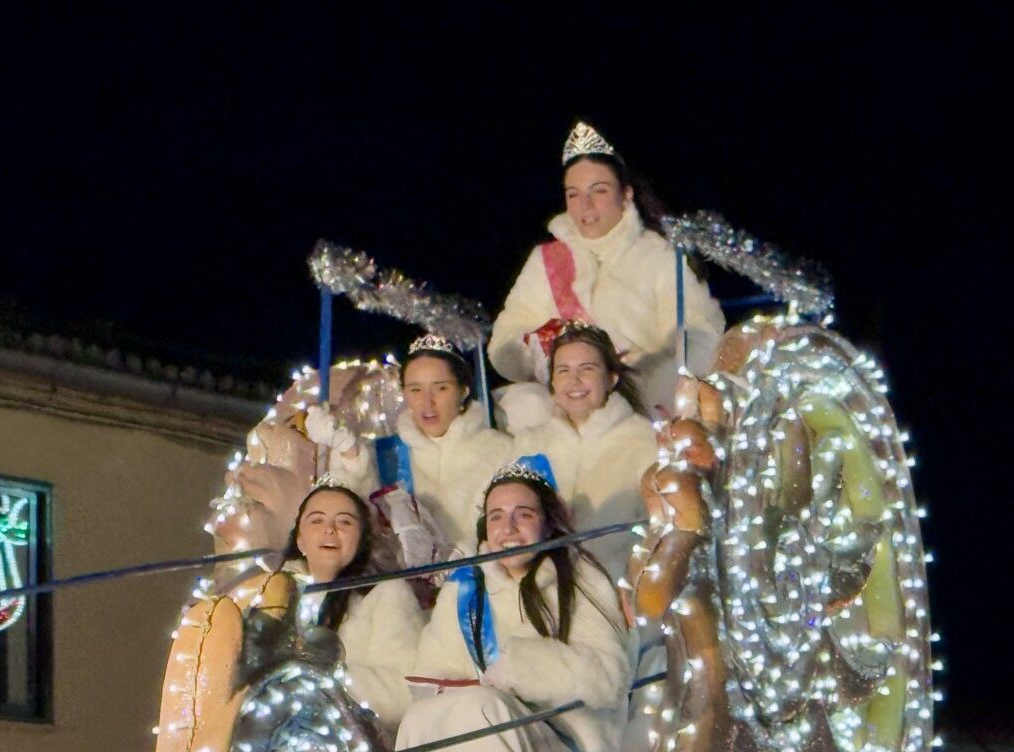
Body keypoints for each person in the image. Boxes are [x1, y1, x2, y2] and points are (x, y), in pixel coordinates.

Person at [394, 462, 645, 752]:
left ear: (546, 523)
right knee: (418, 721)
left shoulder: (580, 578)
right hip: (486, 721)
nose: (508, 527)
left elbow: (608, 678)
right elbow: (431, 675)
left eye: (522, 514)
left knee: (482, 707)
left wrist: (520, 670)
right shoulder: (466, 588)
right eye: (496, 516)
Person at [489, 121, 725, 418]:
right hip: (566, 403)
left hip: (644, 404)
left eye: (598, 191)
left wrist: (635, 374)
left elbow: (696, 333)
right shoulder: (546, 261)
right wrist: (541, 353)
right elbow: (506, 340)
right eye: (573, 194)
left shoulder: (661, 255)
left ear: (626, 194)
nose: (584, 206)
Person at [303, 335, 513, 560]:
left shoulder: (500, 450)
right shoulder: (387, 455)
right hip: (410, 587)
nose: (427, 402)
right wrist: (346, 448)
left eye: (441, 389)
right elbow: (354, 514)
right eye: (415, 390)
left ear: (464, 390)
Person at [513, 321, 656, 583]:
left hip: (617, 589)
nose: (574, 381)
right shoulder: (528, 443)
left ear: (611, 379)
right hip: (543, 591)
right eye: (563, 370)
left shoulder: (644, 439)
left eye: (587, 369)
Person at [282, 482, 424, 734]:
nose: (329, 529)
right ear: (300, 539)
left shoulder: (387, 594)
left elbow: (402, 695)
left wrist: (322, 679)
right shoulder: (272, 596)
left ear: (361, 540)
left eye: (344, 522)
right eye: (316, 521)